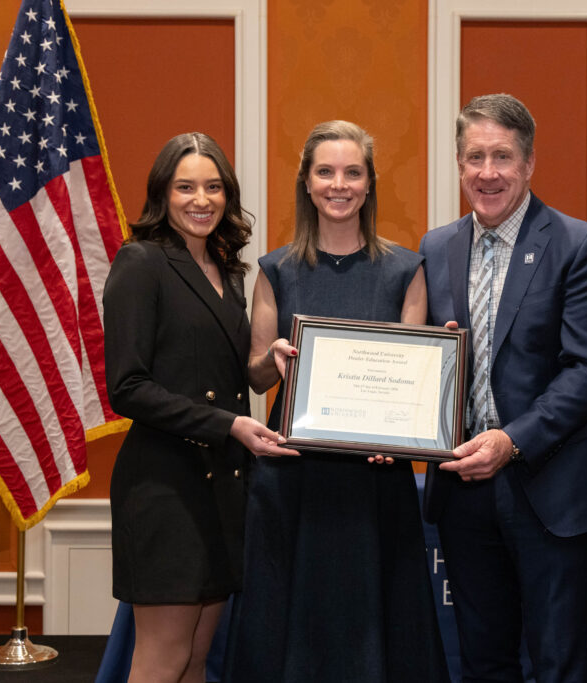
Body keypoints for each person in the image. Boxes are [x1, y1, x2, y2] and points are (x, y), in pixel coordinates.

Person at [419, 93, 587, 682]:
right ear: (458, 165)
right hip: (462, 487)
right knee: (484, 659)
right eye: (474, 157)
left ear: (530, 164)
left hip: (549, 487)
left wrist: (510, 441)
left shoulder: (577, 244)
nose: (488, 173)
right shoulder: (435, 247)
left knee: (559, 661)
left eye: (503, 157)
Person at [226, 120, 449, 682]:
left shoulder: (406, 269)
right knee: (289, 627)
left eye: (353, 172)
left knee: (378, 624)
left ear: (370, 184)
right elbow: (255, 377)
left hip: (376, 480)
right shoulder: (275, 269)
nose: (339, 184)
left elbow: (414, 383)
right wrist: (271, 356)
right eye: (325, 171)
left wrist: (404, 431)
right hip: (293, 477)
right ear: (306, 182)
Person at [103, 132, 297, 683]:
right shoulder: (140, 262)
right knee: (162, 659)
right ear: (162, 193)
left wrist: (272, 361)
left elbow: (226, 376)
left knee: (194, 660)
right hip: (166, 489)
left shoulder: (226, 270)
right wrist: (229, 425)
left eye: (213, 187)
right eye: (185, 186)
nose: (200, 199)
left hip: (221, 488)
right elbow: (128, 387)